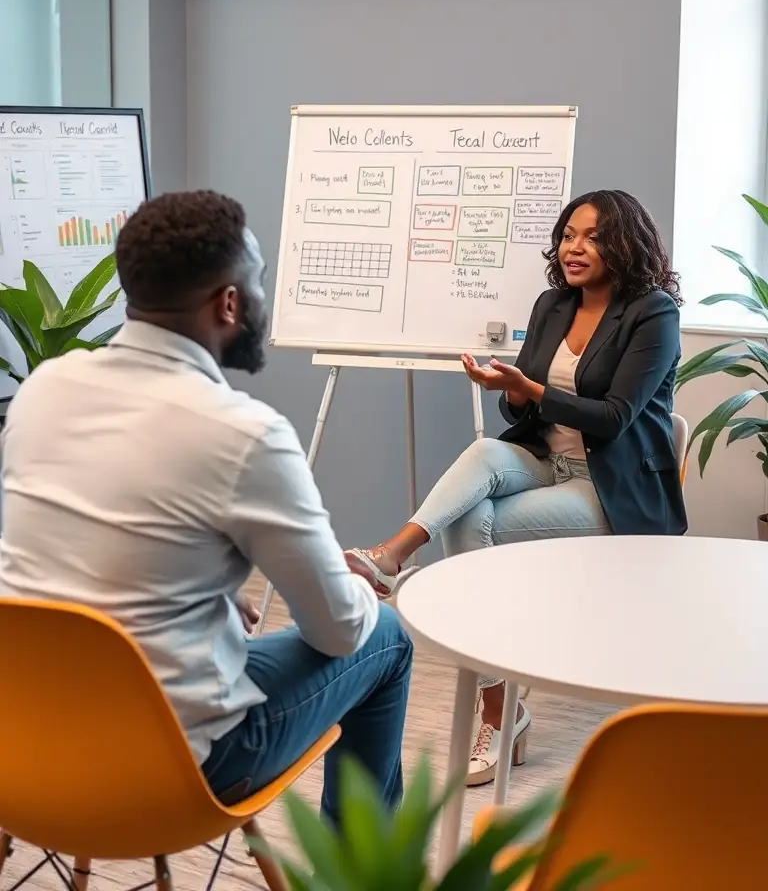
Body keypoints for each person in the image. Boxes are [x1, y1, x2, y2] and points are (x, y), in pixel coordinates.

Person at [0, 190, 412, 822]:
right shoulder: (244, 433)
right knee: (382, 635)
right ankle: (356, 877)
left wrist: (201, 588)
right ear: (229, 303)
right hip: (175, 767)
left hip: (26, 745)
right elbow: (336, 629)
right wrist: (351, 583)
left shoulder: (43, 390)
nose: (264, 303)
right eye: (260, 284)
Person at [346, 189, 686, 786]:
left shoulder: (652, 313)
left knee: (475, 523)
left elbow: (613, 417)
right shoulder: (554, 303)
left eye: (593, 236)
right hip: (543, 463)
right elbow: (520, 412)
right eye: (568, 234)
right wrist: (504, 386)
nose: (575, 247)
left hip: (610, 490)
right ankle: (393, 559)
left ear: (625, 244)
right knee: (482, 455)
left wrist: (528, 389)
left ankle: (499, 709)